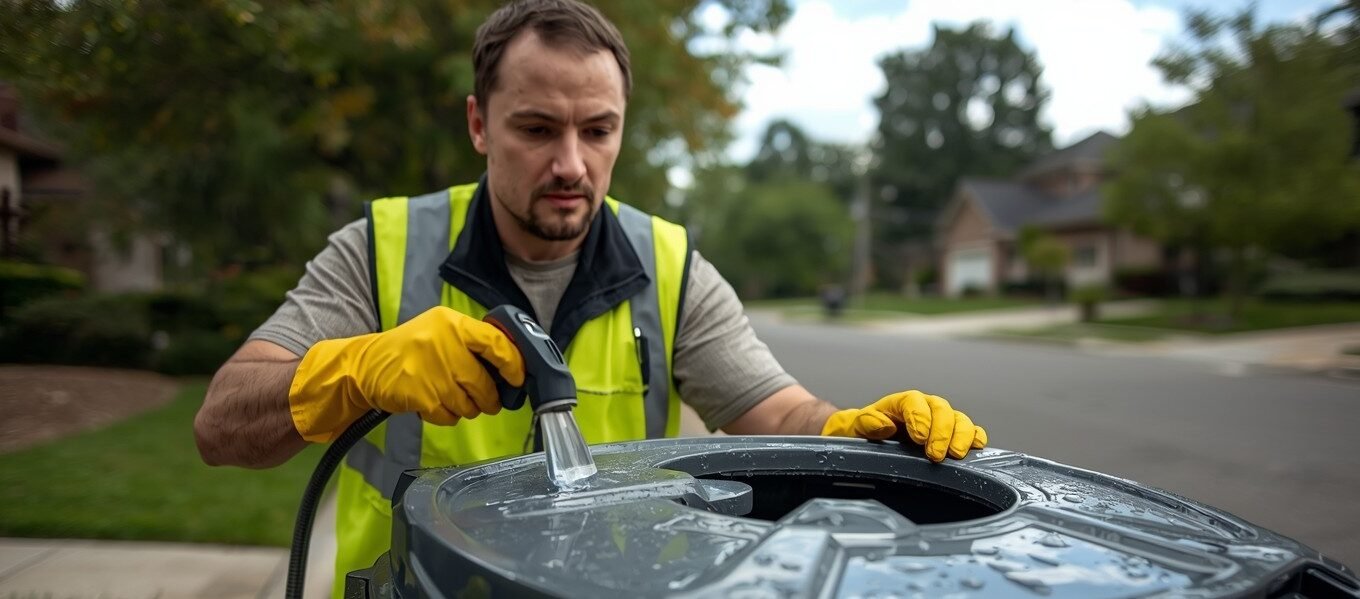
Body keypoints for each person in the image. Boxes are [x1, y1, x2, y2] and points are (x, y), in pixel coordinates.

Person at [192, 0, 988, 594]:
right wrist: (356, 370)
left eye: (598, 130)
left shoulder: (670, 266)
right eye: (537, 129)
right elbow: (222, 424)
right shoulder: (381, 249)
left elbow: (779, 415)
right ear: (479, 124)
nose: (572, 164)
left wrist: (853, 433)